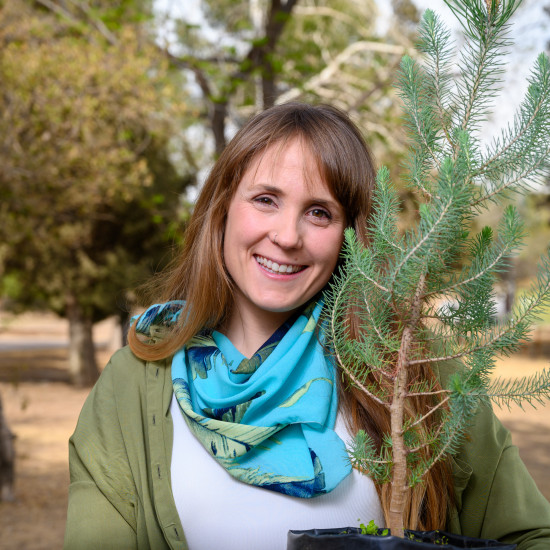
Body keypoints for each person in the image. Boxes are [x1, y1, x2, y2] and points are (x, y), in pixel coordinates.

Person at [64, 103, 550, 550]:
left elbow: (530, 535)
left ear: (351, 235)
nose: (287, 236)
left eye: (320, 212)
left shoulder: (411, 368)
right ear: (223, 208)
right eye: (266, 199)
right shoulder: (133, 384)